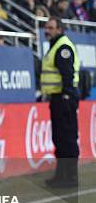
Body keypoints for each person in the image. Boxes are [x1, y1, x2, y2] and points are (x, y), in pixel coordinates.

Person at [40, 17, 79, 188]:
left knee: (67, 138)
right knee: (60, 138)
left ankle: (70, 177)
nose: (47, 30)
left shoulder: (62, 47)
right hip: (58, 99)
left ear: (59, 29)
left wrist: (66, 96)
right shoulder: (56, 45)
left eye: (50, 27)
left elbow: (67, 74)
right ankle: (61, 175)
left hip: (64, 99)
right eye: (46, 27)